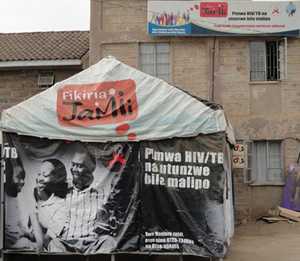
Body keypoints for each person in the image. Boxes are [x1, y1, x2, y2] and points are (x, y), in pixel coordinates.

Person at [48, 147, 106, 253]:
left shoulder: (101, 191)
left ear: (90, 169)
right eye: (73, 164)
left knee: (109, 242)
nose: (74, 169)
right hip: (67, 241)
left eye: (79, 166)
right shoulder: (63, 189)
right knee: (54, 244)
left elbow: (106, 221)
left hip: (92, 242)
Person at [33, 159, 69, 250]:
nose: (39, 178)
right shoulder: (35, 196)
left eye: (45, 175)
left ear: (58, 179)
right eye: (39, 174)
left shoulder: (62, 206)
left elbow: (47, 240)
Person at [4, 159, 36, 249]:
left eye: (23, 177)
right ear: (7, 176)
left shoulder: (13, 197)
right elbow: (11, 238)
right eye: (18, 177)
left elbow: (17, 227)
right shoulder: (4, 199)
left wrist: (27, 233)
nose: (22, 181)